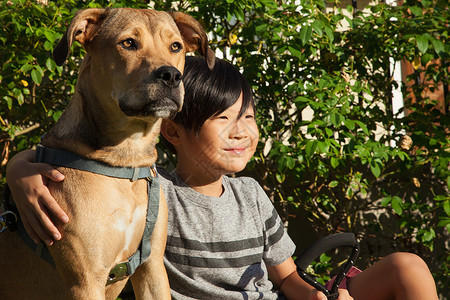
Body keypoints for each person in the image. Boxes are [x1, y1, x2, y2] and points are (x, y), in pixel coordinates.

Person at [5, 57, 439, 300]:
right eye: (223, 118)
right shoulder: (154, 191)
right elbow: (88, 167)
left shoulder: (250, 194)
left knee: (409, 266)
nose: (241, 131)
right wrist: (20, 166)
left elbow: (286, 275)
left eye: (247, 116)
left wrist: (313, 297)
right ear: (173, 130)